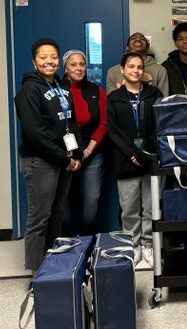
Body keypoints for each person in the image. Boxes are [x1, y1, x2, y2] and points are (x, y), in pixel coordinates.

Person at [14, 38, 83, 272]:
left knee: (56, 214)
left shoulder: (62, 88)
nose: (49, 61)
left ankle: (54, 266)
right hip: (41, 160)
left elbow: (71, 123)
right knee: (39, 217)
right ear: (35, 62)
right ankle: (36, 274)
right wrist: (64, 159)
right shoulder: (28, 91)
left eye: (53, 56)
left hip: (64, 160)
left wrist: (78, 154)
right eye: (43, 57)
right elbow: (36, 134)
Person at [107, 52, 163, 267]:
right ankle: (133, 245)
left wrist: (145, 150)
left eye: (139, 67)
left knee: (150, 207)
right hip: (125, 159)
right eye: (131, 67)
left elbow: (160, 124)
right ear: (122, 70)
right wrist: (132, 153)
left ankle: (148, 245)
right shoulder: (114, 98)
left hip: (150, 158)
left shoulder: (153, 94)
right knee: (129, 208)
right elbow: (113, 131)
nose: (135, 71)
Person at [61, 49, 107, 235]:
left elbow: (104, 123)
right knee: (63, 201)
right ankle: (70, 241)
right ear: (65, 68)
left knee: (91, 199)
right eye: (73, 64)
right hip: (64, 154)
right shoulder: (56, 90)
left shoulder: (96, 91)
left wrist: (87, 150)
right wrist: (69, 156)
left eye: (82, 64)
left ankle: (87, 240)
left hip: (91, 151)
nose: (79, 68)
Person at [106, 32, 169, 96]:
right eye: (133, 38)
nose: (138, 39)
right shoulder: (113, 72)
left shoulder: (160, 70)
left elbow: (164, 100)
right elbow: (111, 100)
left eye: (142, 39)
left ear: (148, 48)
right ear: (127, 47)